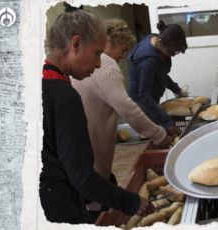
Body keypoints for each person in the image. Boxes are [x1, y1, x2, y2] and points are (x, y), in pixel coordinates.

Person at [40, 5, 153, 224]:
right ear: (75, 44)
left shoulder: (41, 83)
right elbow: (82, 178)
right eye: (97, 53)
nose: (100, 63)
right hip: (60, 206)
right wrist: (133, 202)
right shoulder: (65, 97)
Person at [71, 19, 174, 213]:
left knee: (93, 192)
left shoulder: (86, 61)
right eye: (123, 49)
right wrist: (159, 135)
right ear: (109, 42)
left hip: (79, 149)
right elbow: (128, 109)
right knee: (96, 201)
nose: (123, 56)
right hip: (91, 148)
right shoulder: (106, 66)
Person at [128, 20, 188, 136]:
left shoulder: (156, 39)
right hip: (141, 105)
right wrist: (166, 121)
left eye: (176, 52)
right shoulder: (148, 62)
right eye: (171, 52)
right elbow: (144, 95)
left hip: (148, 99)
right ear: (160, 43)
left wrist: (175, 88)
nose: (173, 55)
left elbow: (161, 73)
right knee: (156, 135)